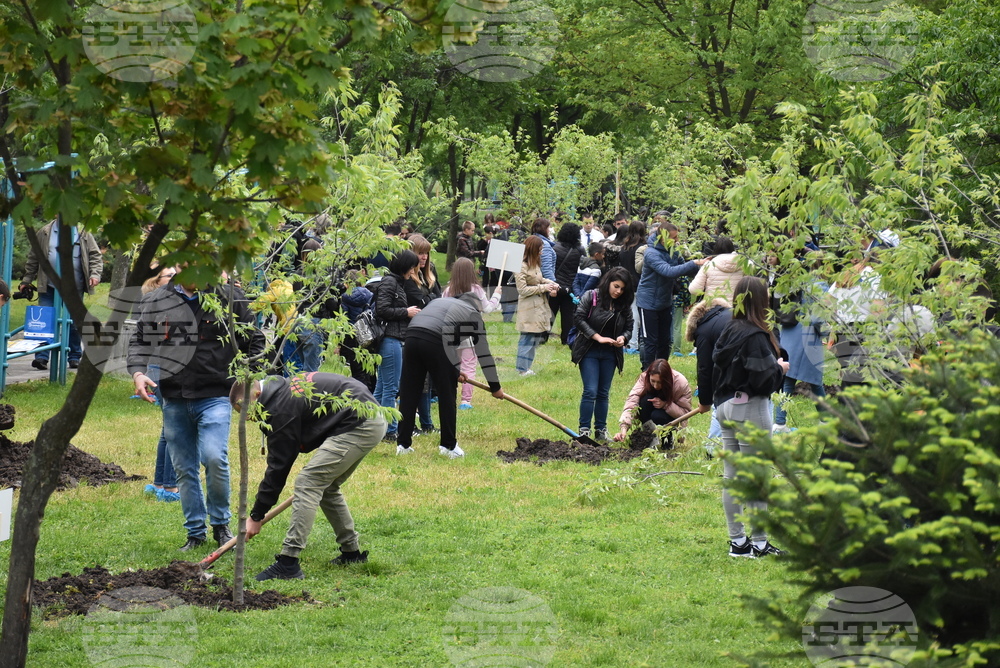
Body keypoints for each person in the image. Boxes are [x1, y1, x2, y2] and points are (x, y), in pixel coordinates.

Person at [129, 272, 265, 551]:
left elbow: (255, 341)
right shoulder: (158, 300)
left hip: (216, 393)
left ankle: (220, 525)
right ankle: (195, 533)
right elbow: (141, 340)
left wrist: (249, 379)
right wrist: (139, 372)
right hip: (174, 395)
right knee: (184, 468)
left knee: (215, 458)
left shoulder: (229, 298)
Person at [234, 372, 387, 580]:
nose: (249, 418)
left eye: (247, 410)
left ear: (258, 393)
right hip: (366, 416)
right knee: (327, 487)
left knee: (308, 483)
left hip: (359, 423)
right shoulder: (280, 390)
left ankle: (288, 562)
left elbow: (279, 467)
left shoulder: (280, 409)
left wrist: (256, 516)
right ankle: (352, 553)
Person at [712, 276, 788, 558]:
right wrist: (781, 369)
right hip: (750, 407)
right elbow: (762, 379)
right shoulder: (755, 335)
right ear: (761, 300)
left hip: (726, 406)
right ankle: (758, 542)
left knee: (732, 477)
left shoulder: (729, 327)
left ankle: (738, 543)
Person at [395, 288, 504, 457]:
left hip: (412, 336)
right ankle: (448, 446)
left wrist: (455, 371)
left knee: (409, 392)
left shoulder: (439, 302)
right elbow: (484, 354)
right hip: (436, 340)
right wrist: (495, 387)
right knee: (447, 394)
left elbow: (446, 345)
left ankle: (402, 445)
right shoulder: (472, 314)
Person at [21, 218, 103, 370]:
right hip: (49, 286)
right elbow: (34, 257)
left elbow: (95, 256)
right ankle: (41, 357)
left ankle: (74, 357)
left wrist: (95, 274)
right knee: (45, 322)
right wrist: (27, 280)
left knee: (73, 322)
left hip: (74, 287)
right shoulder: (45, 232)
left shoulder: (83, 232)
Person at [571, 267, 634, 441]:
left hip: (611, 353)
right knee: (590, 390)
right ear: (608, 282)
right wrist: (598, 337)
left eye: (622, 289)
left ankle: (601, 430)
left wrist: (623, 338)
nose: (618, 291)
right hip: (589, 349)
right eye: (616, 286)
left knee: (603, 393)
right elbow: (579, 318)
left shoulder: (624, 304)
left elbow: (629, 327)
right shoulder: (591, 296)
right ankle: (584, 431)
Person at [635, 223, 707, 369]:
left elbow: (684, 268)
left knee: (665, 340)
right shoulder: (651, 253)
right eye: (674, 237)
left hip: (665, 302)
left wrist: (704, 266)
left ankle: (662, 370)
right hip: (648, 303)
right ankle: (647, 372)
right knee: (650, 341)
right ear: (663, 238)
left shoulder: (673, 250)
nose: (677, 240)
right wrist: (695, 262)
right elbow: (669, 271)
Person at [139, 264, 180, 503]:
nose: (176, 278)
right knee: (175, 429)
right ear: (156, 281)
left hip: (159, 366)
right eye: (170, 275)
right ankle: (171, 488)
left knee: (168, 429)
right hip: (163, 368)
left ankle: (160, 483)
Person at [372, 250, 421, 442]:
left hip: (394, 338)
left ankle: (372, 424)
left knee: (382, 387)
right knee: (391, 388)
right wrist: (406, 312)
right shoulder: (390, 282)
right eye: (411, 267)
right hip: (390, 338)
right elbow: (381, 309)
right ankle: (389, 430)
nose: (413, 271)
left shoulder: (398, 282)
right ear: (403, 266)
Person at [442, 258, 502, 409]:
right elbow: (487, 308)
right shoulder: (476, 289)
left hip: (450, 333)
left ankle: (448, 396)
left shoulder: (448, 290)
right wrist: (496, 295)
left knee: (452, 365)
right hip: (469, 334)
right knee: (468, 366)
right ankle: (465, 401)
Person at [685, 296, 733, 457]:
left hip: (731, 371)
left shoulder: (704, 330)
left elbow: (705, 369)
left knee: (719, 408)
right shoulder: (731, 314)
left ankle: (712, 450)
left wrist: (705, 401)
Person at [407, 234, 441, 433]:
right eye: (420, 253)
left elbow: (437, 297)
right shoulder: (406, 278)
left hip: (430, 330)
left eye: (426, 254)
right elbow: (420, 301)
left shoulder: (429, 274)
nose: (424, 258)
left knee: (426, 383)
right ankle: (409, 423)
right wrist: (430, 300)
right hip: (412, 333)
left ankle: (427, 424)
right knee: (413, 382)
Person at [613, 358, 692, 444]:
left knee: (657, 415)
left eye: (659, 382)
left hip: (669, 415)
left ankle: (667, 439)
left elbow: (685, 413)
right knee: (645, 401)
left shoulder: (680, 383)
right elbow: (632, 401)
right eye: (653, 381)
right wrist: (624, 428)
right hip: (651, 408)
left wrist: (665, 405)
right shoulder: (644, 377)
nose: (655, 386)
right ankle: (648, 436)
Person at [515, 236, 560, 376]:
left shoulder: (535, 264)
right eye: (539, 250)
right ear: (533, 249)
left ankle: (527, 367)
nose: (541, 252)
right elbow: (522, 290)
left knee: (534, 338)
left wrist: (551, 283)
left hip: (539, 305)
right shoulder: (521, 266)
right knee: (527, 338)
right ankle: (521, 369)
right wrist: (544, 287)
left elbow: (539, 279)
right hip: (528, 307)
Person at [616, 221, 647, 353]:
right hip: (639, 283)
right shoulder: (643, 248)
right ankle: (634, 343)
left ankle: (627, 341)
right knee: (636, 314)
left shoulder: (624, 248)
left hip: (625, 282)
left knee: (628, 312)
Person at [551, 223, 583, 346]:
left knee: (550, 312)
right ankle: (566, 339)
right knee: (568, 315)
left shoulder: (555, 248)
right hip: (570, 287)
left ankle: (543, 336)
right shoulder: (579, 250)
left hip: (555, 285)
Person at [688, 236, 746, 303]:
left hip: (713, 306)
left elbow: (694, 289)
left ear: (715, 250)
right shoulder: (744, 265)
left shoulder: (708, 265)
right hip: (736, 306)